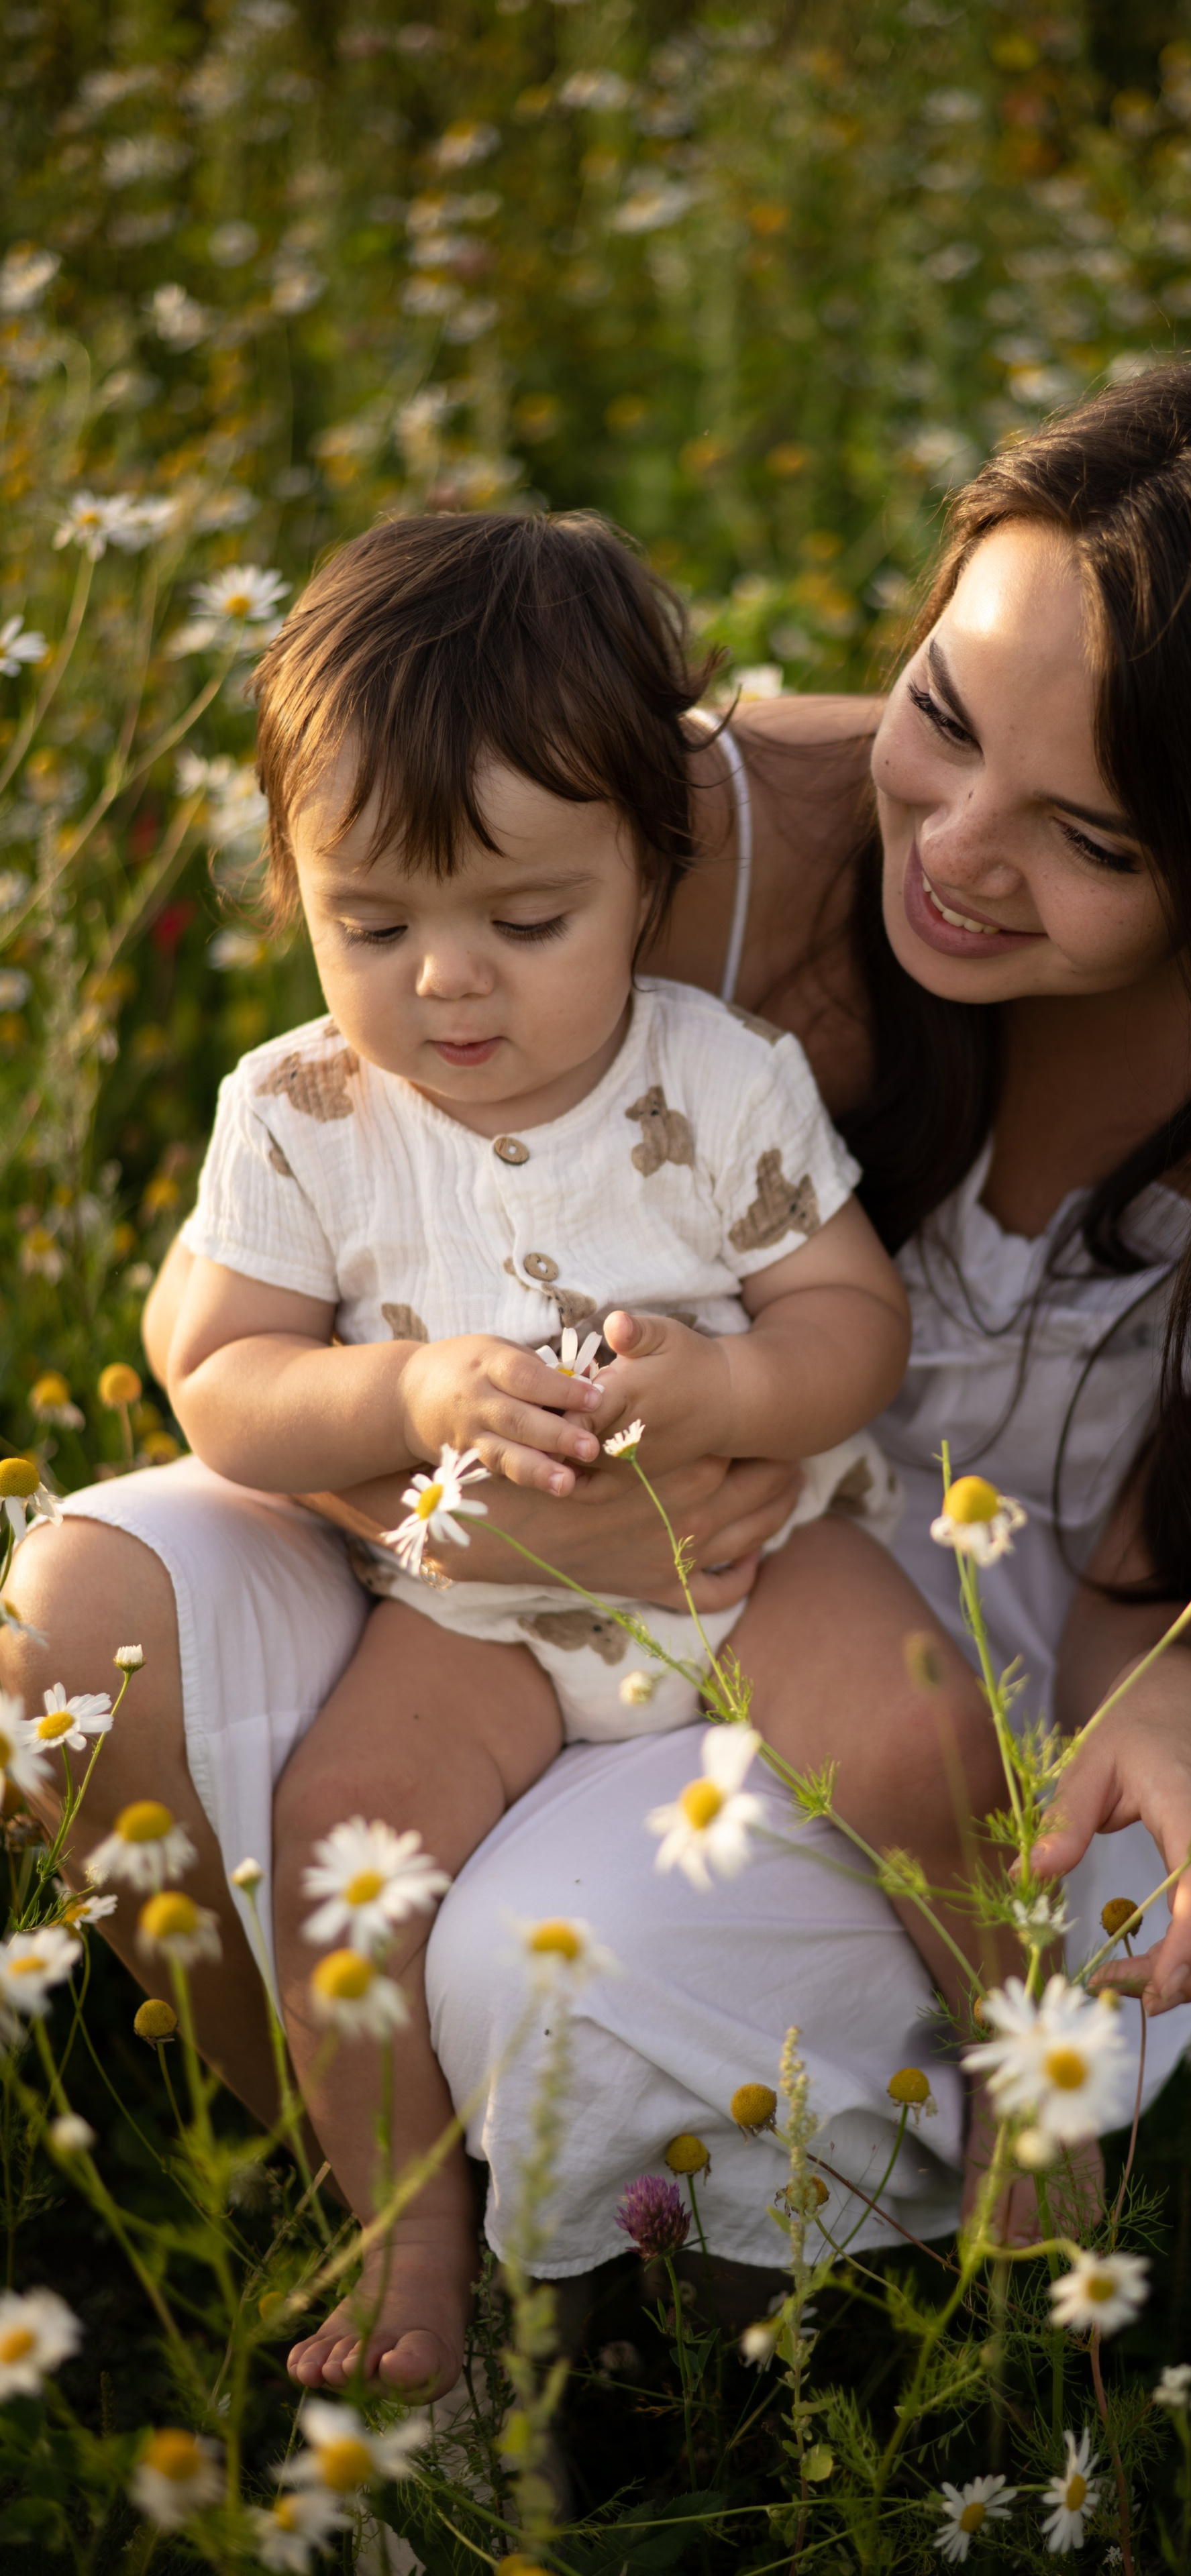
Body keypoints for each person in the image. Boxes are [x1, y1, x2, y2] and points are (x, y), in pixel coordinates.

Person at [6, 353, 1191, 2400]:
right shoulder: (681, 824)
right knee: (112, 1641)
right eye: (942, 721)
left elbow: (1061, 1451)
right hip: (476, 1553)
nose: (956, 850)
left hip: (825, 1560)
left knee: (621, 1923)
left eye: (1090, 837)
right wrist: (431, 1445)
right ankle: (388, 2218)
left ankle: (936, 2208)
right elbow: (275, 1289)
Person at [160, 509, 933, 2394]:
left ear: (646, 877)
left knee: (916, 1739)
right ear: (295, 884)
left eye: (525, 921)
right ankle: (412, 2244)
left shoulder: (715, 1077)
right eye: (373, 922)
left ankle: (1028, 2090)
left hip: (747, 1551)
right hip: (476, 1607)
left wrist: (740, 1394)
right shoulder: (304, 1114)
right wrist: (408, 1400)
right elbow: (221, 1376)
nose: (447, 986)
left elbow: (854, 1328)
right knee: (352, 1861)